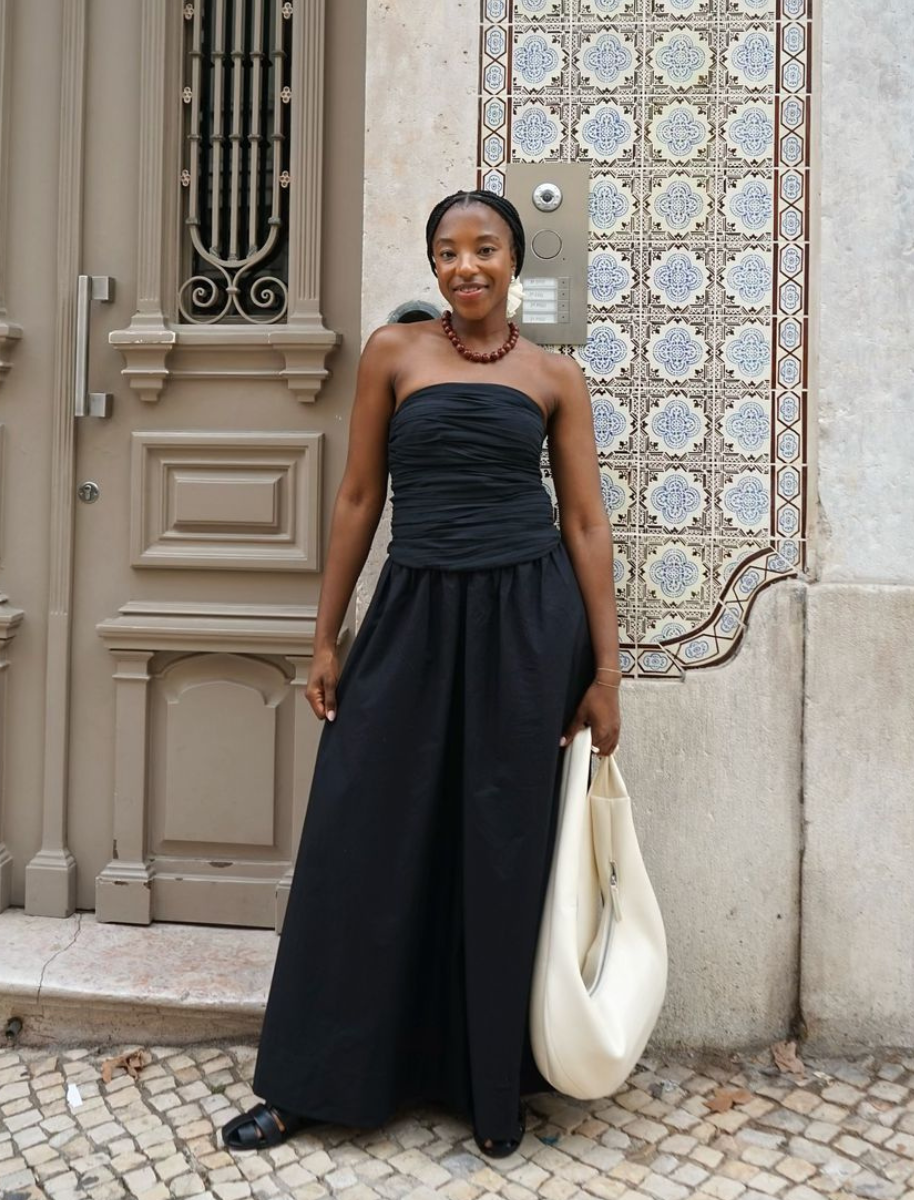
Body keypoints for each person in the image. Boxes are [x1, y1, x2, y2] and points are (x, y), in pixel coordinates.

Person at [221, 189, 622, 1159]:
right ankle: (310, 1082)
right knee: (360, 835)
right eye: (448, 251)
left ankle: (490, 1089)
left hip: (527, 627)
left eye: (484, 249)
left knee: (497, 848)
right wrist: (326, 638)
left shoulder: (554, 375)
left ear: (512, 261)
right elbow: (358, 498)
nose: (466, 266)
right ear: (433, 265)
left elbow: (583, 523)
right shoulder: (391, 356)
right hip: (412, 614)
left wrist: (607, 670)